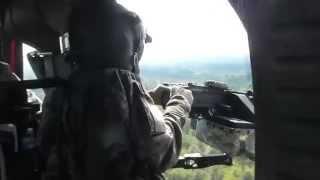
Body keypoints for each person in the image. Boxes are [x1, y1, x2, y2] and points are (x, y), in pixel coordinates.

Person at [39, 0, 193, 180]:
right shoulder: (120, 82)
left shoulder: (61, 91)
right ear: (132, 51)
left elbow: (97, 115)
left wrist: (149, 97)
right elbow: (162, 150)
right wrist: (180, 102)